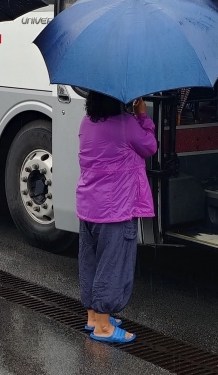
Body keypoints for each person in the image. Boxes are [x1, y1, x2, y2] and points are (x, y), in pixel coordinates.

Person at [77, 91, 157, 344]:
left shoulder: (86, 122)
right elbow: (150, 146)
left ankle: (93, 316)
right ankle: (103, 326)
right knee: (113, 265)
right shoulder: (126, 124)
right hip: (116, 209)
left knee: (91, 262)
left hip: (89, 206)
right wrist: (142, 115)